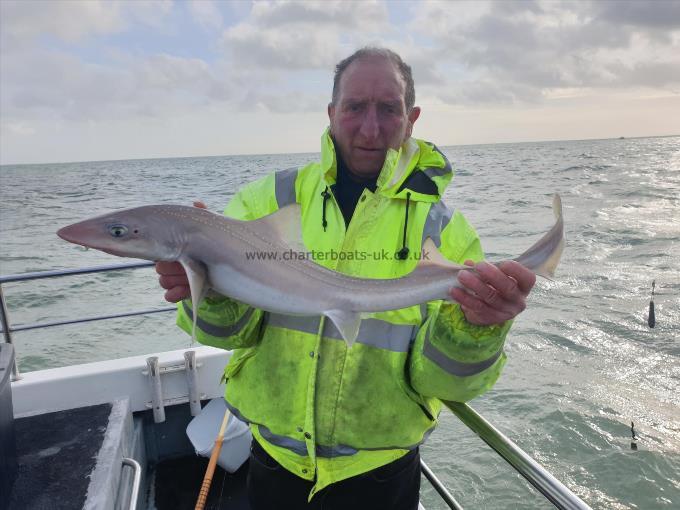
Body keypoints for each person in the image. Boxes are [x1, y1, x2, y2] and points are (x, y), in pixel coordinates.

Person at [156, 47, 536, 510]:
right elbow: (231, 334)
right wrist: (206, 292)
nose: (370, 129)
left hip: (380, 471)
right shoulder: (269, 201)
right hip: (275, 458)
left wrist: (477, 330)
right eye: (355, 107)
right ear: (332, 113)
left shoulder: (444, 230)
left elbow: (445, 383)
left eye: (388, 109)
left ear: (412, 118)